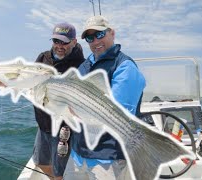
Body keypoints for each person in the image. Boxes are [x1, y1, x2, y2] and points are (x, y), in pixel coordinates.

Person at [63, 15, 146, 180]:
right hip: (78, 154)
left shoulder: (125, 66)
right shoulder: (85, 65)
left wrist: (74, 106)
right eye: (89, 38)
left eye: (99, 34)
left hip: (109, 158)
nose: (95, 41)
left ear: (112, 33)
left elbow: (117, 114)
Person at [33, 22, 85, 179]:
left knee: (59, 171)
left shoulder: (81, 65)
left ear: (74, 42)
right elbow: (31, 79)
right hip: (43, 125)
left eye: (65, 42)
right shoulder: (43, 57)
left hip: (63, 128)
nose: (59, 46)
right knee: (40, 162)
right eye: (56, 41)